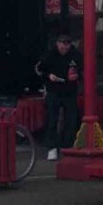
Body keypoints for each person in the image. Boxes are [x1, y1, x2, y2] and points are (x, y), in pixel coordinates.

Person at [34, 31, 81, 161]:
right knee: (51, 120)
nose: (65, 47)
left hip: (70, 91)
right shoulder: (49, 55)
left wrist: (78, 76)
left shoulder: (75, 55)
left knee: (71, 120)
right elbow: (38, 69)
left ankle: (68, 146)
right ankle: (52, 148)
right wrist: (48, 76)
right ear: (57, 43)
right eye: (62, 44)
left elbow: (83, 69)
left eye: (67, 44)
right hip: (53, 90)